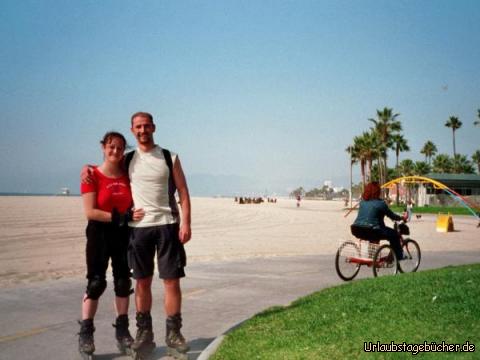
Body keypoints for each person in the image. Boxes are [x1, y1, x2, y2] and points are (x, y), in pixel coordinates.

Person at [79, 132, 145, 358]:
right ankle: (86, 332)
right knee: (96, 283)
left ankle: (123, 332)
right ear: (103, 147)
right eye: (111, 147)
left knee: (123, 281)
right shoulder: (91, 175)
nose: (115, 152)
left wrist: (125, 220)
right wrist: (121, 217)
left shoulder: (128, 173)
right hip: (99, 233)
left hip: (123, 234)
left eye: (119, 148)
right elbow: (90, 212)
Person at [350, 182, 407, 260]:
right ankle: (399, 256)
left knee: (372, 233)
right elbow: (392, 216)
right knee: (395, 235)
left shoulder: (362, 202)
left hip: (357, 229)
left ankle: (372, 256)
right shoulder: (381, 204)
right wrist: (401, 218)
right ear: (378, 192)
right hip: (373, 230)